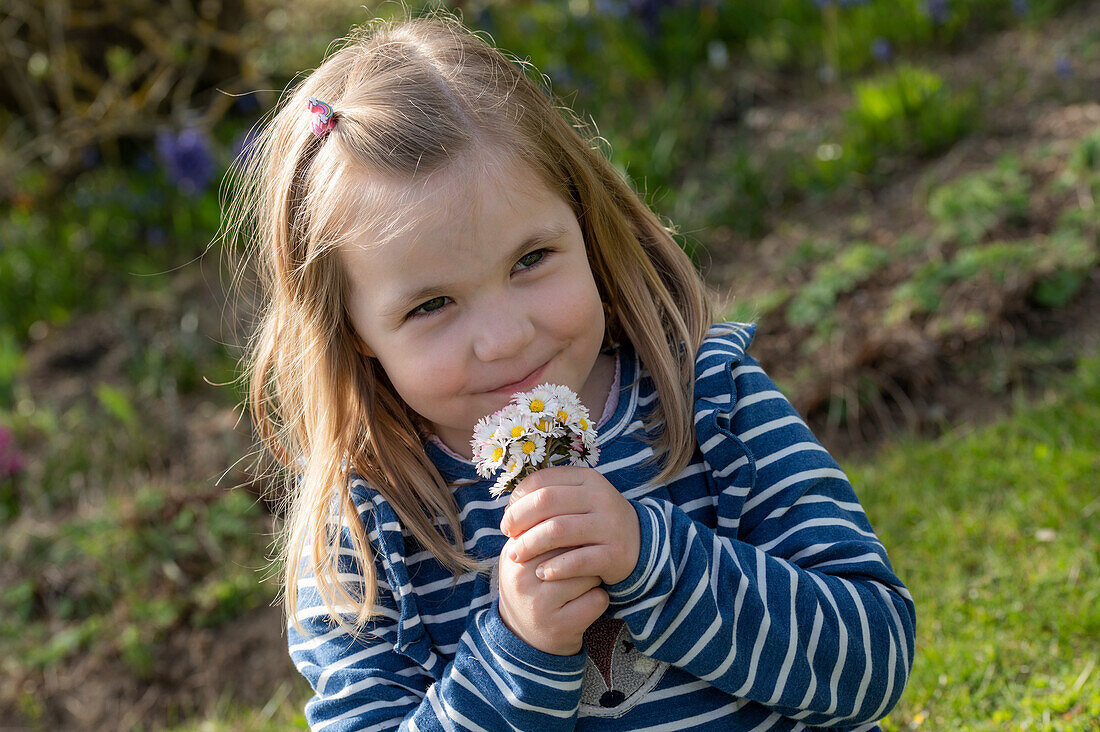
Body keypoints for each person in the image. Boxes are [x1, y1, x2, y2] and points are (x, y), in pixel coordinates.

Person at [222, 12, 915, 730]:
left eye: (530, 260)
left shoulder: (710, 398)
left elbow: (873, 661)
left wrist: (654, 559)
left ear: (583, 220)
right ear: (354, 334)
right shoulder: (361, 534)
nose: (503, 337)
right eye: (432, 305)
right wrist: (518, 654)